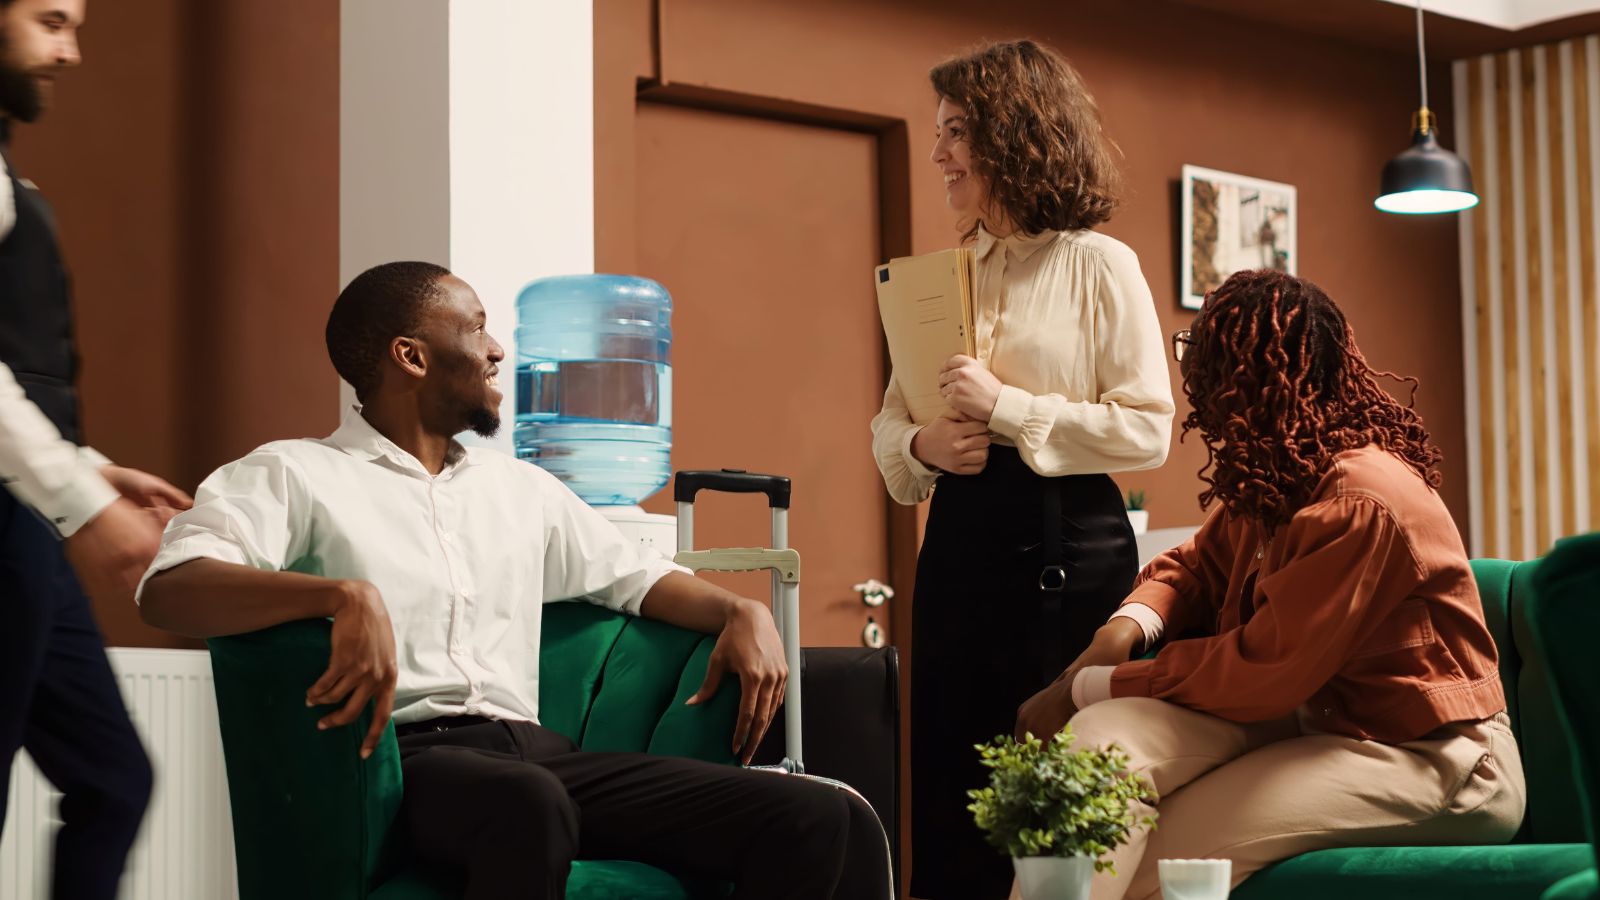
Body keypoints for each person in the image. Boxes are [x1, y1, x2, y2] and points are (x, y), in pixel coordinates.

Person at [137, 261, 890, 900]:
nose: (498, 350)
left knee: (814, 815)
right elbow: (172, 587)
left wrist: (740, 611)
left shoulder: (519, 490)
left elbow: (638, 579)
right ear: (411, 356)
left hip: (541, 756)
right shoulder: (295, 473)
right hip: (403, 768)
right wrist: (340, 596)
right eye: (476, 328)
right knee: (527, 804)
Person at [1014, 269, 1525, 900]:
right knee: (1096, 750)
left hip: (1435, 758)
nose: (1195, 384)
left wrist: (1087, 686)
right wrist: (1119, 634)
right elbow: (1192, 567)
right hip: (1314, 720)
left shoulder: (1358, 501)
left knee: (1155, 858)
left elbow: (1263, 669)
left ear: (1251, 381)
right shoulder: (1277, 476)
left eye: (1205, 361)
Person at [868, 39, 1173, 899]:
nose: (937, 154)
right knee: (950, 783)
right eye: (937, 132)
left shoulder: (1101, 264)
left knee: (1057, 799)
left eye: (956, 131)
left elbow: (1148, 429)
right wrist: (922, 448)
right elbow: (891, 422)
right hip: (957, 549)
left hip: (1068, 554)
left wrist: (1009, 409)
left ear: (1014, 134)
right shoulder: (941, 277)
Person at [0, 2, 194, 897]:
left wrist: (90, 471)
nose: (70, 52)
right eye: (50, 21)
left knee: (114, 781)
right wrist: (85, 506)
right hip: (19, 520)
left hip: (27, 516)